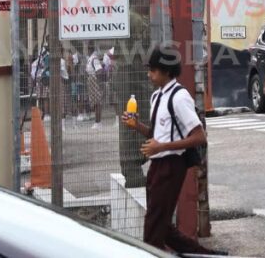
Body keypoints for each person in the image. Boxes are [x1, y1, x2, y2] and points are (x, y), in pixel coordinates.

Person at [122, 45, 220, 255]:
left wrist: (162, 147)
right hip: (157, 165)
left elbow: (199, 136)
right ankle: (206, 255)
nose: (149, 75)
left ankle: (152, 253)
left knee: (153, 227)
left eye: (153, 70)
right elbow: (157, 135)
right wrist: (137, 126)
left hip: (171, 165)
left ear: (166, 72)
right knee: (162, 225)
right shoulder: (157, 96)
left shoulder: (179, 97)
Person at [86, 47, 105, 129]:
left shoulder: (94, 59)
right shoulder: (90, 58)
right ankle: (97, 121)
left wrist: (97, 80)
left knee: (97, 102)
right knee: (94, 102)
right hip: (91, 80)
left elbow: (99, 70)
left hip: (94, 80)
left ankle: (98, 122)